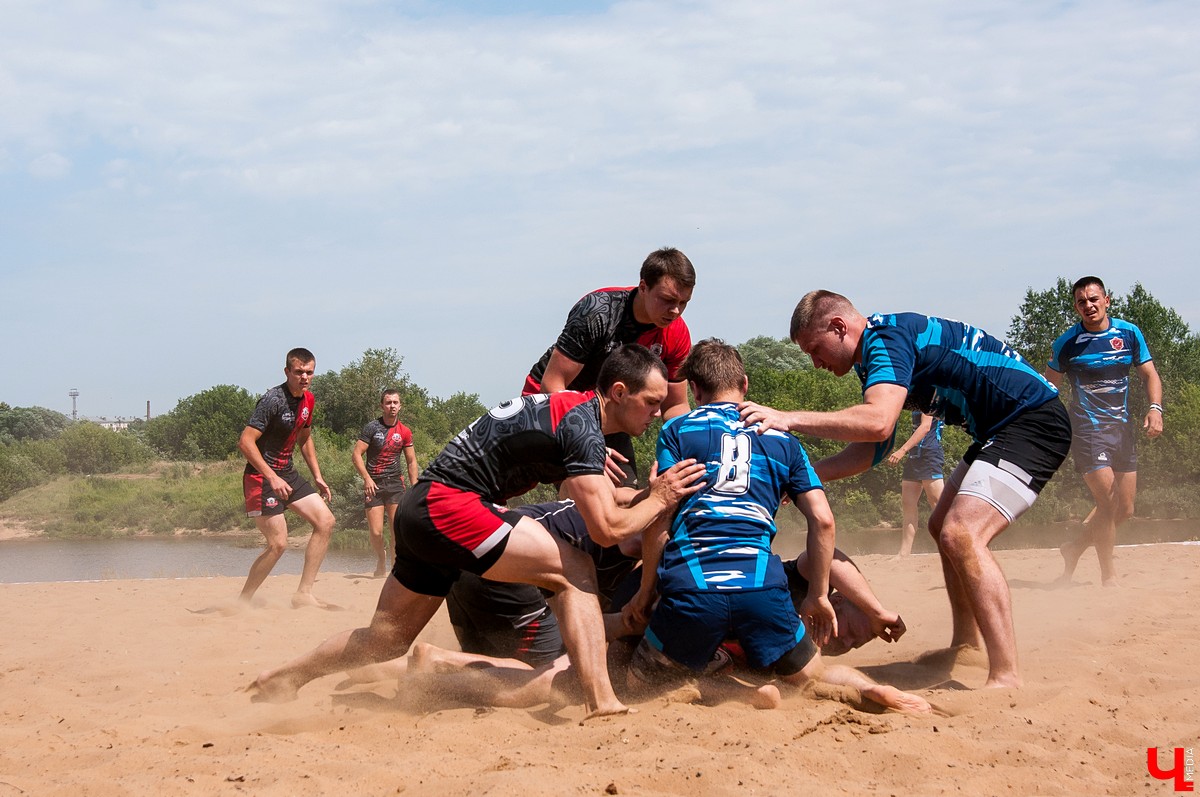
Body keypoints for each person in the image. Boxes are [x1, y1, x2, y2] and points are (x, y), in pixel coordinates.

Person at [248, 344, 706, 719]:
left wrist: (645, 496)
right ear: (620, 392)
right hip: (449, 505)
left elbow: (597, 500)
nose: (658, 413)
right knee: (576, 569)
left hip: (419, 508)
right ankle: (602, 701)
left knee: (386, 639)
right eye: (652, 403)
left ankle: (288, 675)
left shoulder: (572, 414)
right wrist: (662, 497)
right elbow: (606, 531)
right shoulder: (583, 427)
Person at [740, 291, 1072, 689]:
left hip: (1032, 420)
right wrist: (801, 481)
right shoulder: (878, 353)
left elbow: (878, 422)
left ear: (839, 327)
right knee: (940, 526)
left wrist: (788, 419)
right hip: (999, 431)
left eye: (815, 349)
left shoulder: (886, 338)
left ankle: (1006, 675)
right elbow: (871, 451)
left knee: (962, 533)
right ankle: (966, 645)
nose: (815, 362)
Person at [626, 338, 928, 713]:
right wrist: (818, 595)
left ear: (695, 390)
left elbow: (659, 519)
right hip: (761, 588)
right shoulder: (784, 439)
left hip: (695, 587)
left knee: (638, 684)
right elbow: (823, 519)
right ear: (745, 384)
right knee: (812, 676)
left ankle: (739, 695)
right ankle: (875, 691)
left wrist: (645, 592)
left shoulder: (676, 432)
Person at [523, 247, 696, 485]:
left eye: (683, 302)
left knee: (627, 497)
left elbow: (675, 405)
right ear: (643, 287)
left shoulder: (677, 334)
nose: (675, 311)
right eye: (667, 300)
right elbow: (552, 384)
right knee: (589, 500)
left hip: (610, 413)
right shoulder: (598, 311)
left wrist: (695, 447)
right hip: (551, 406)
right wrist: (586, 442)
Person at [1045, 276, 1164, 586]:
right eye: (1082, 302)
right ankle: (1108, 575)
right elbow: (1047, 390)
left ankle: (1074, 548)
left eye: (1094, 299)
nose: (1089, 305)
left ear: (1107, 300)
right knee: (1107, 502)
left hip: (1123, 431)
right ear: (1076, 307)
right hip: (1087, 431)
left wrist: (1155, 408)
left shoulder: (1128, 333)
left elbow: (1150, 374)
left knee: (1124, 509)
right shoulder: (1067, 343)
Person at [238, 348, 336, 608]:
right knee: (278, 544)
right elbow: (246, 442)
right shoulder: (272, 400)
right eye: (298, 372)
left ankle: (303, 594)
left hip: (287, 473)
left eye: (309, 372)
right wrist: (271, 477)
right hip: (261, 477)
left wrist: (318, 476)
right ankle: (243, 601)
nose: (304, 377)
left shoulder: (308, 401)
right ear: (287, 372)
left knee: (325, 521)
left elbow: (304, 439)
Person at [352, 389, 420, 577]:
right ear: (382, 405)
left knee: (396, 530)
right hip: (373, 484)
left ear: (400, 406)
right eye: (388, 402)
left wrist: (414, 487)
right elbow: (356, 455)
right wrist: (366, 478)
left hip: (395, 484)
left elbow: (412, 461)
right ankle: (380, 560)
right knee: (375, 532)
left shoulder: (405, 431)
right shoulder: (372, 428)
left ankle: (394, 569)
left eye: (395, 403)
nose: (392, 406)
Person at [886, 411, 946, 556]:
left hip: (929, 455)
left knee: (939, 506)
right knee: (908, 504)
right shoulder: (918, 398)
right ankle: (904, 553)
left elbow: (925, 427)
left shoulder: (931, 397)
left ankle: (951, 550)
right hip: (914, 456)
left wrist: (902, 450)